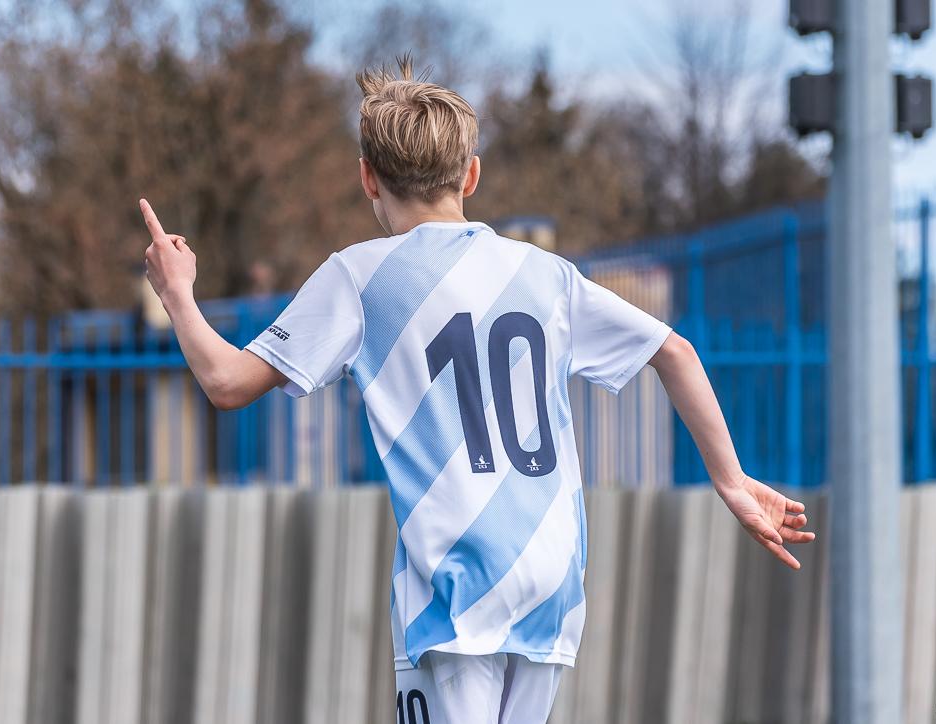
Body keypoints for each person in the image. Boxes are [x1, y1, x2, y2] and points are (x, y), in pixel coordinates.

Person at [139, 55, 816, 724]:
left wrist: (178, 294)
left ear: (367, 177)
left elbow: (227, 382)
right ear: (471, 174)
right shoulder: (545, 274)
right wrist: (731, 480)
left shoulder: (360, 277)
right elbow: (675, 351)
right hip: (549, 577)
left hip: (456, 582)